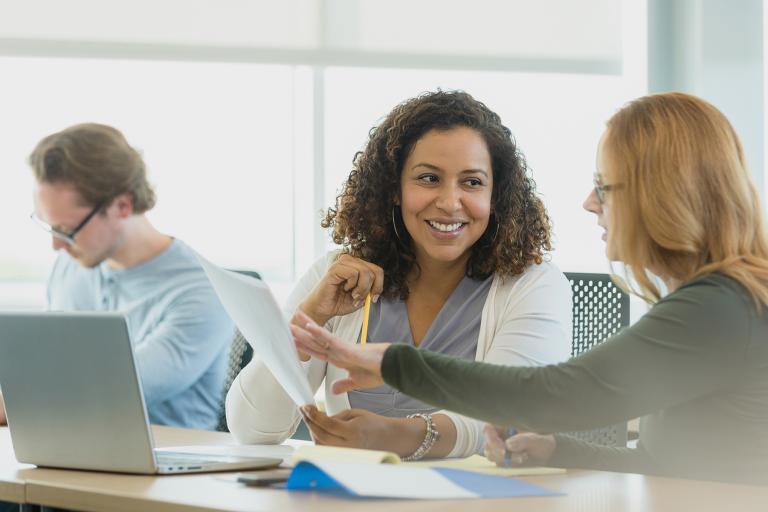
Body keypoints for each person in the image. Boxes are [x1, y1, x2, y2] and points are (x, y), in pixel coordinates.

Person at [292, 92, 768, 485]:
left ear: (663, 194)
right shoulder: (719, 302)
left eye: (605, 188)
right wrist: (558, 448)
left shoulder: (720, 309)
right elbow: (668, 466)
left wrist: (395, 364)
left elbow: (555, 393)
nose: (589, 203)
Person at [226, 91, 572, 459]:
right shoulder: (338, 274)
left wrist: (394, 436)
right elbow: (251, 429)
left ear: (495, 195)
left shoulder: (534, 285)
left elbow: (508, 413)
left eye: (472, 182)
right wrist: (308, 321)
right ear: (394, 188)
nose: (450, 202)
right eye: (428, 178)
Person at [25, 123, 234, 430]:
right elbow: (47, 366)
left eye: (66, 231)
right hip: (72, 446)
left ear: (122, 206)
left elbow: (111, 391)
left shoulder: (202, 292)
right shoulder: (72, 264)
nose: (56, 245)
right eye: (50, 227)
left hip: (167, 466)